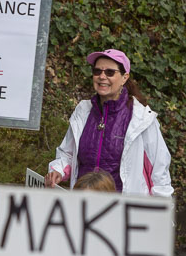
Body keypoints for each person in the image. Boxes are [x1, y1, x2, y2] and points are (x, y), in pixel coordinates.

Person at [45, 48, 172, 195]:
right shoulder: (83, 111)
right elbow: (67, 153)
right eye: (97, 71)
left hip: (123, 206)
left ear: (124, 77)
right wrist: (58, 170)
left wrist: (160, 205)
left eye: (110, 72)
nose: (102, 76)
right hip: (83, 202)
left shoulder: (142, 118)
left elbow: (159, 171)